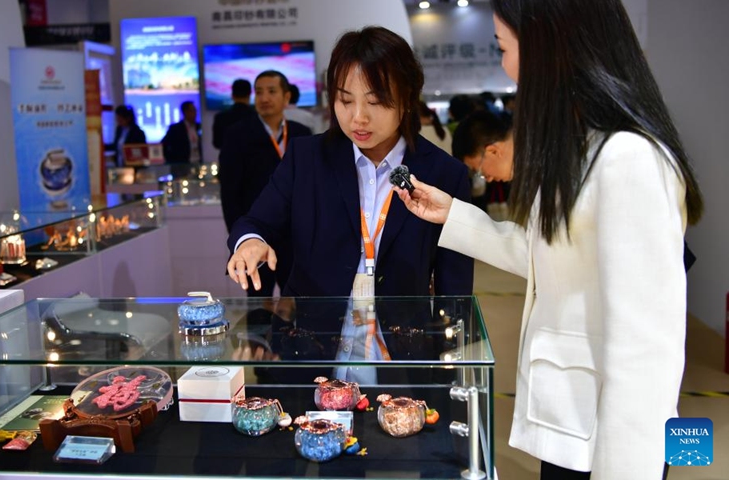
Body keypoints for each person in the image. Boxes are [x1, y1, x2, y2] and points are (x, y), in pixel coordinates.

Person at [394, 1, 703, 478]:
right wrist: (454, 215)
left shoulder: (627, 158)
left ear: (547, 46)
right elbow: (544, 256)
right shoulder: (580, 149)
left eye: (505, 47)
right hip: (571, 423)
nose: (506, 65)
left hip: (606, 437)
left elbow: (645, 355)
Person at [226, 26, 473, 301]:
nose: (358, 118)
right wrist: (250, 241)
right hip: (312, 334)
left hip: (401, 337)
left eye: (375, 101)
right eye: (345, 100)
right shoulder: (305, 158)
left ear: (407, 99)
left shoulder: (446, 174)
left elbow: (456, 289)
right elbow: (256, 221)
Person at [219, 70, 312, 297]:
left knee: (299, 306)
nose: (264, 98)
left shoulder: (302, 135)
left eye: (272, 91)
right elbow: (229, 192)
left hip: (296, 238)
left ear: (287, 97)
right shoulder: (237, 135)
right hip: (257, 234)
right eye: (259, 92)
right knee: (258, 305)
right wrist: (240, 238)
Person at [212, 78, 256, 149]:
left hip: (228, 158)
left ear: (232, 95)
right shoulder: (257, 117)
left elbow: (217, 143)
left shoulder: (220, 117)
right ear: (250, 94)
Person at [161, 100, 203, 167]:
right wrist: (171, 160)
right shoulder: (175, 129)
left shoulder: (200, 127)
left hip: (199, 163)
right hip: (181, 165)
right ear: (185, 112)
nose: (195, 113)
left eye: (195, 110)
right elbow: (164, 144)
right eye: (192, 111)